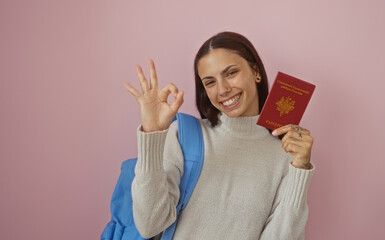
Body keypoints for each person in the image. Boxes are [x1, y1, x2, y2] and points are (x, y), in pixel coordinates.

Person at [123, 31, 315, 240]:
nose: (222, 89)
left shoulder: (286, 152)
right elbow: (150, 224)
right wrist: (151, 135)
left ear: (256, 71)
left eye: (231, 73)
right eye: (210, 82)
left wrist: (300, 170)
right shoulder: (183, 136)